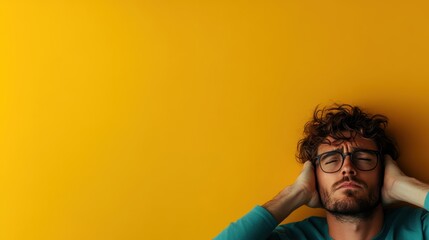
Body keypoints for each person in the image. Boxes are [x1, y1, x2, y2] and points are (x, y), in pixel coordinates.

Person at [214, 104, 429, 240]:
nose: (347, 168)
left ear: (384, 171)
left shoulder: (419, 229)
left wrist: (405, 187)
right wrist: (294, 194)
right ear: (314, 175)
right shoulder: (292, 238)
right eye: (331, 160)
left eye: (363, 158)